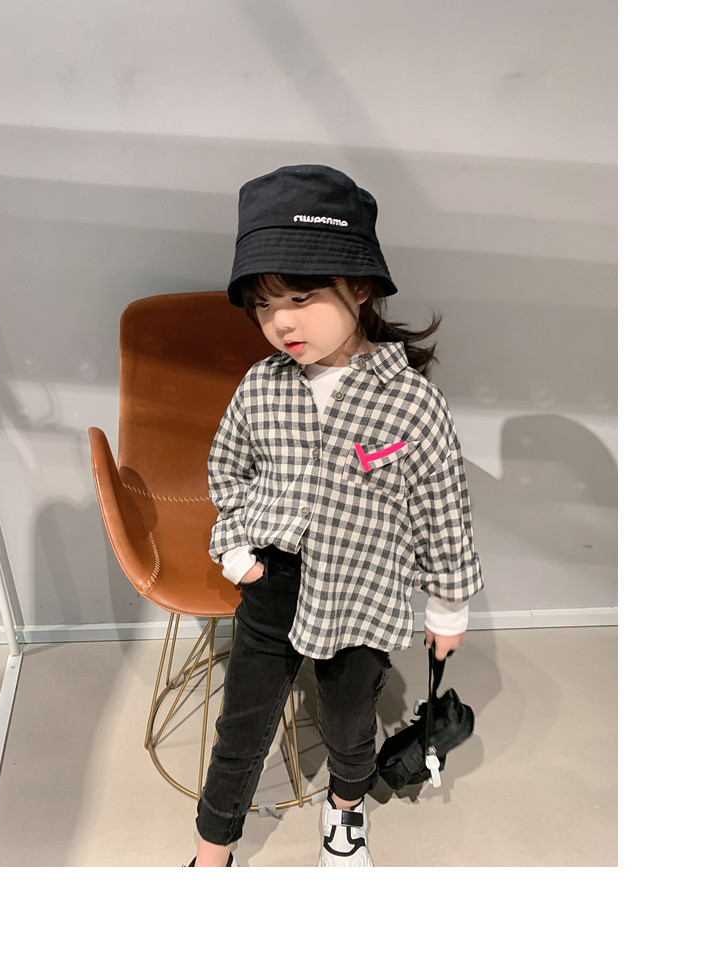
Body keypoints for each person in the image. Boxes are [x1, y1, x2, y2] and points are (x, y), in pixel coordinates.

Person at [190, 164, 483, 867]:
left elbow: (442, 507)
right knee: (241, 726)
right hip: (272, 582)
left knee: (351, 723)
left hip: (363, 590)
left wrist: (448, 607)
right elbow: (227, 469)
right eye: (264, 304)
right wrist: (238, 552)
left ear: (359, 287)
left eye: (301, 296)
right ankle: (211, 851)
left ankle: (344, 815)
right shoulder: (261, 386)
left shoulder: (410, 402)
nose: (281, 321)